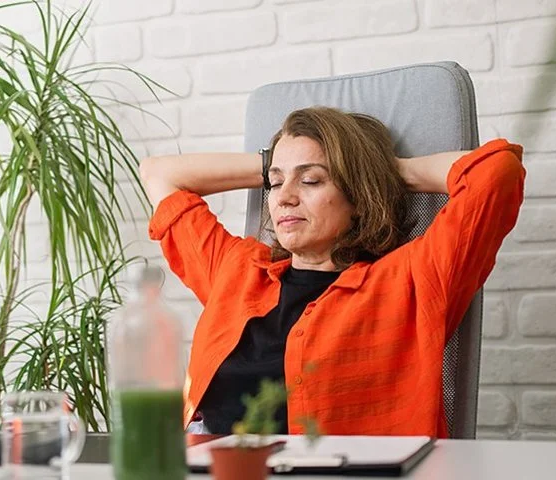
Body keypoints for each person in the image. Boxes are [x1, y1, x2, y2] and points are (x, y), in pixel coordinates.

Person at [140, 106, 525, 438]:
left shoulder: (413, 279)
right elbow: (159, 174)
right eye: (274, 182)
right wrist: (277, 163)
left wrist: (375, 170)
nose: (284, 196)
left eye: (311, 180)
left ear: (358, 196)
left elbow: (496, 172)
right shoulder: (237, 271)